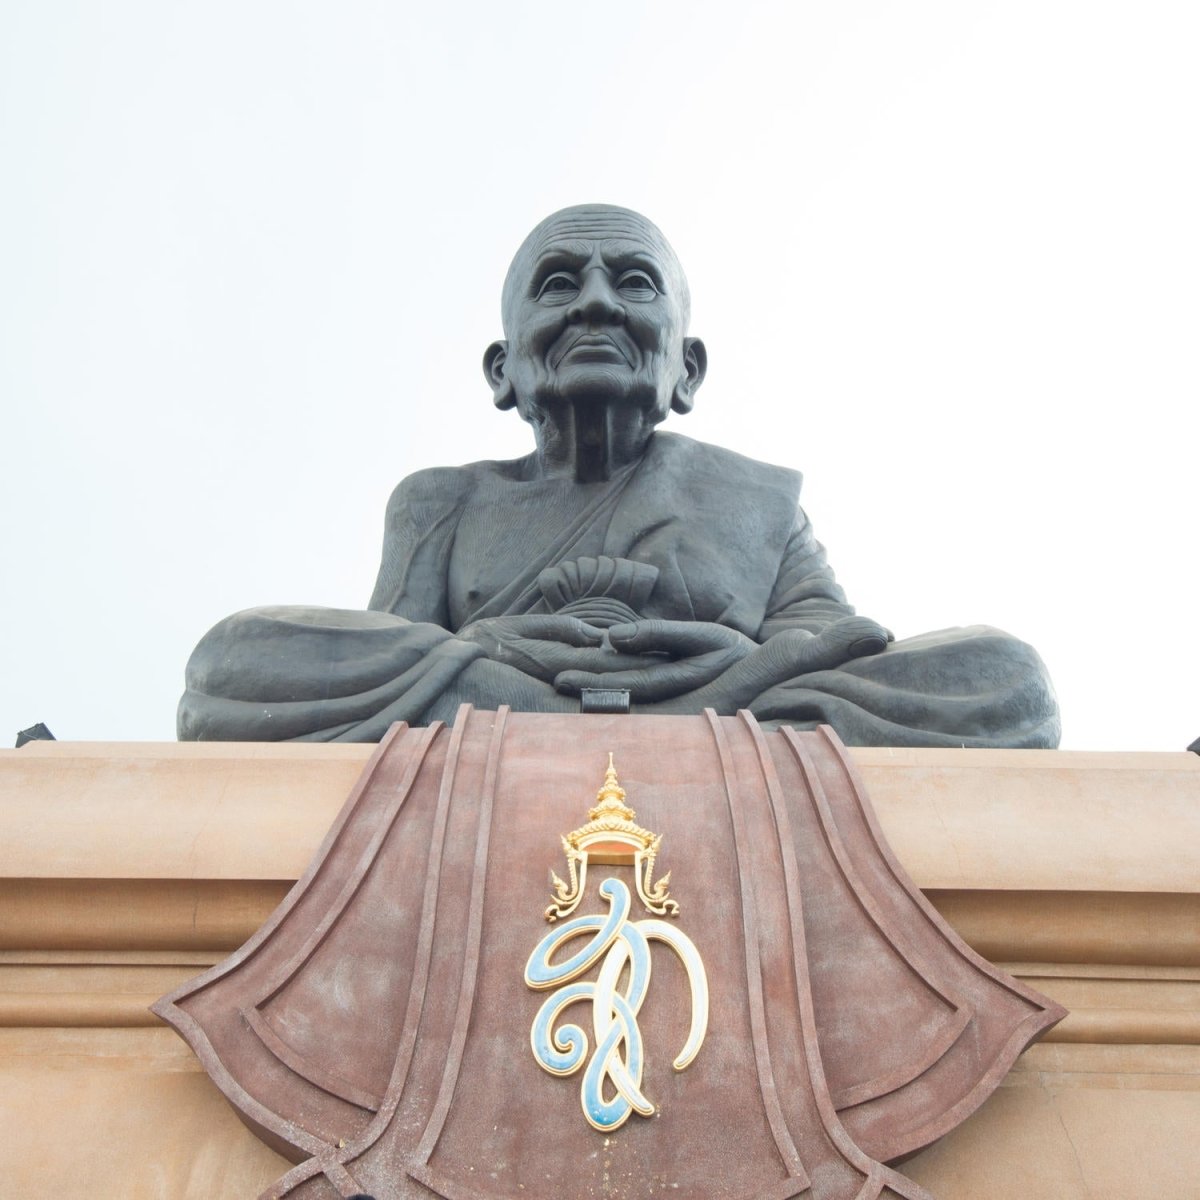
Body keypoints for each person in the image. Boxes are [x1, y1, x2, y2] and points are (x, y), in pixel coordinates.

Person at [178, 205, 1059, 747]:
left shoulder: (757, 501)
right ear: (503, 369)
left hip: (703, 701)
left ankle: (604, 725)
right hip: (668, 717)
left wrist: (734, 662)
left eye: (634, 283)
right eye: (558, 284)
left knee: (1003, 679)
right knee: (232, 663)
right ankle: (650, 731)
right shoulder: (441, 500)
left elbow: (835, 648)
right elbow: (388, 672)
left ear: (687, 368)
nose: (595, 302)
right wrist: (492, 653)